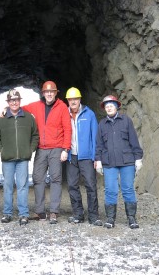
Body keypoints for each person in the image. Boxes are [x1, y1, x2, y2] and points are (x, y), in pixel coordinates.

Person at [24, 80, 72, 224]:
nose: (49, 94)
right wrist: (6, 109)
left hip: (57, 148)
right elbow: (20, 109)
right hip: (41, 148)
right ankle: (40, 211)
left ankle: (53, 212)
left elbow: (68, 129)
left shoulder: (62, 107)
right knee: (38, 179)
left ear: (56, 93)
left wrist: (66, 149)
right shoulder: (37, 106)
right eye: (47, 92)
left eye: (52, 91)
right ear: (43, 93)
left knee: (56, 179)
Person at [0, 89, 40, 225]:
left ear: (19, 101)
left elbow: (35, 135)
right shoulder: (1, 119)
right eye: (11, 100)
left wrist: (30, 149)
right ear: (8, 102)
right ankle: (7, 213)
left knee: (22, 186)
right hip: (7, 159)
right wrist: (0, 150)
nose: (14, 102)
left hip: (23, 159)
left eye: (16, 100)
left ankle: (23, 214)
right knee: (7, 186)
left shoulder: (29, 117)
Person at [94, 95, 143, 229]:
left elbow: (133, 140)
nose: (109, 107)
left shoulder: (126, 121)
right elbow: (99, 145)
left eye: (111, 105)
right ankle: (110, 219)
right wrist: (98, 160)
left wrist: (138, 158)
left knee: (128, 189)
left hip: (127, 161)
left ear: (116, 107)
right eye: (107, 106)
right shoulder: (102, 124)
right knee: (110, 190)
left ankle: (131, 218)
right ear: (105, 109)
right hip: (109, 162)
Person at [65, 87, 102, 226]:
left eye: (75, 99)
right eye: (70, 99)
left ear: (79, 99)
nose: (73, 101)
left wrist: (96, 157)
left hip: (86, 156)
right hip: (71, 156)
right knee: (72, 186)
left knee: (91, 186)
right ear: (67, 101)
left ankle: (94, 216)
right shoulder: (65, 114)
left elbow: (95, 137)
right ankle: (78, 214)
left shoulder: (89, 114)